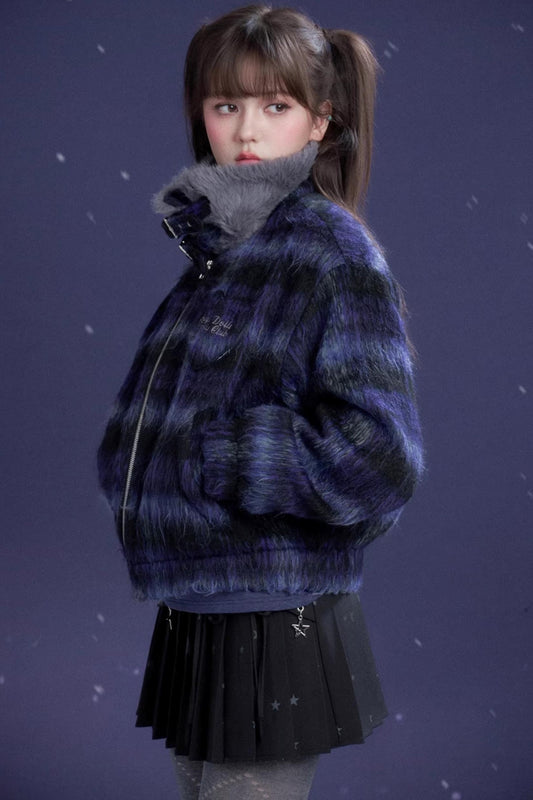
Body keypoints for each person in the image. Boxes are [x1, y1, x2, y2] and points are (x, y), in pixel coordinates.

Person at [97, 5, 424, 799]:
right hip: (199, 606)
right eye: (225, 105)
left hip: (275, 616)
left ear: (321, 120)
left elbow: (381, 460)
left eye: (275, 105)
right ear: (200, 116)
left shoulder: (329, 251)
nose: (246, 129)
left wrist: (238, 457)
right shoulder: (222, 255)